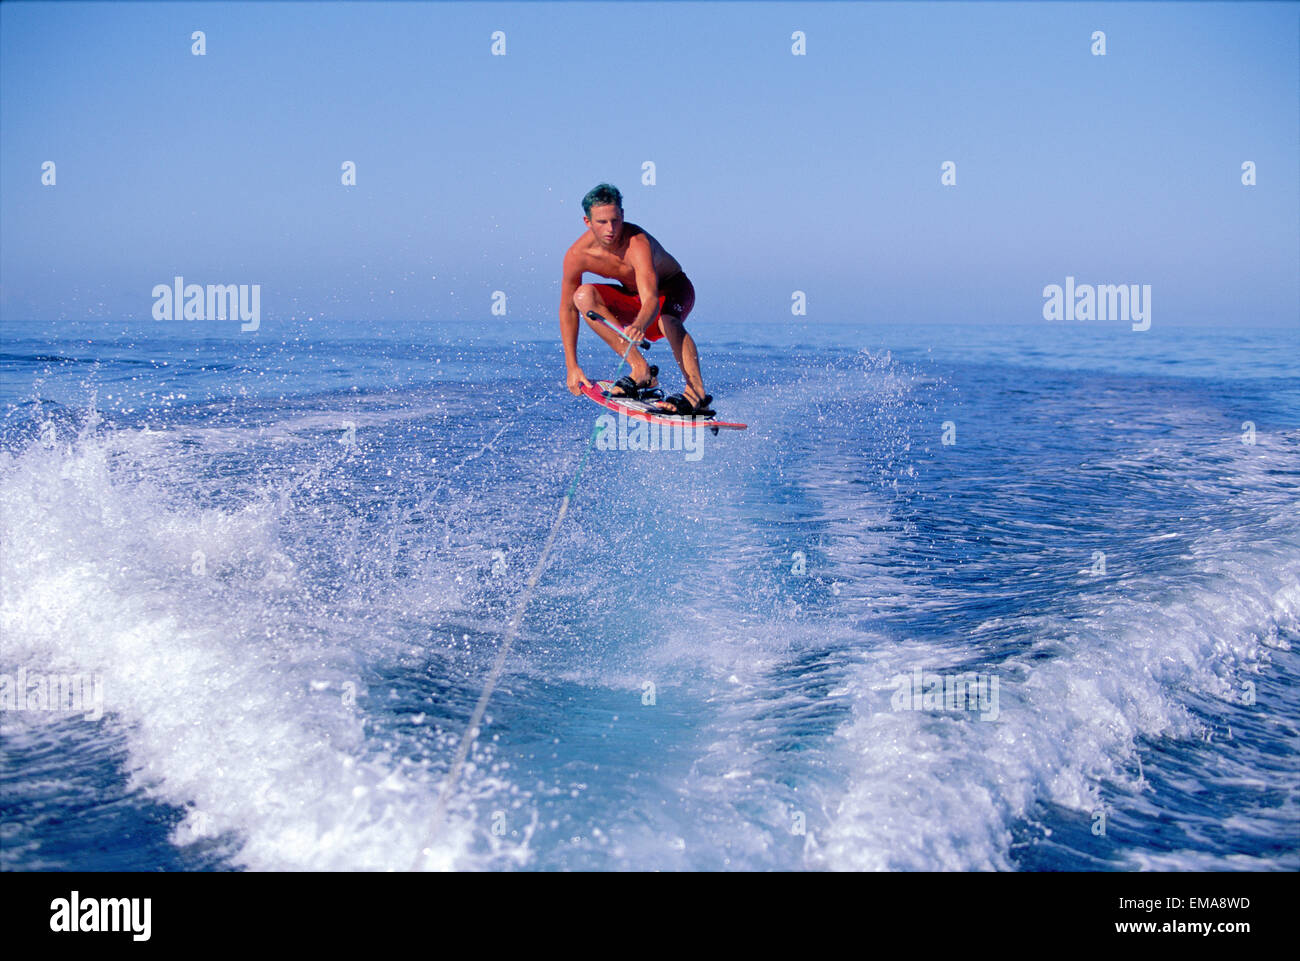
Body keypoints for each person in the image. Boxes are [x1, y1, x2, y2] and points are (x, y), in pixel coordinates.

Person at [559, 183, 712, 415]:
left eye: (615, 220)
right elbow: (568, 309)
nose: (610, 228)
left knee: (667, 320)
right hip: (635, 301)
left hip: (671, 290)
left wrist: (639, 325)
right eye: (601, 222)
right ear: (587, 222)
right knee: (582, 296)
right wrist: (572, 366)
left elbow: (650, 298)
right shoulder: (577, 255)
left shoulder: (637, 244)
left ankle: (696, 392)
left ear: (622, 215)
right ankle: (641, 371)